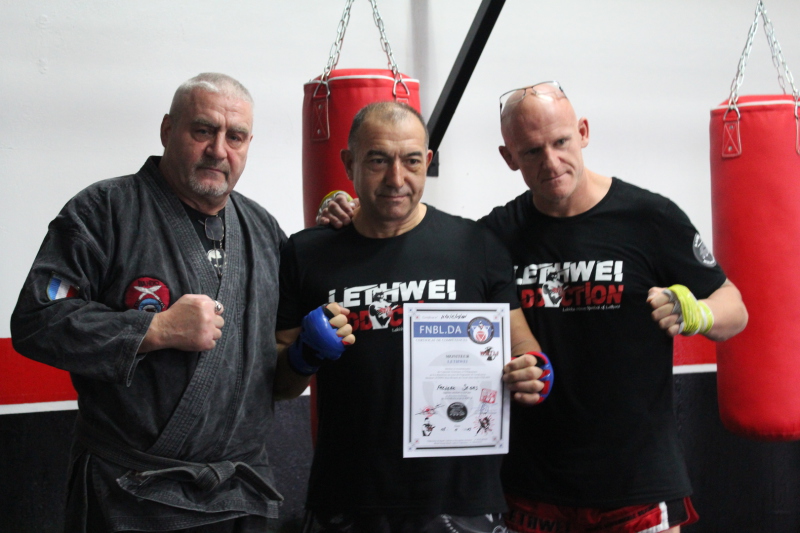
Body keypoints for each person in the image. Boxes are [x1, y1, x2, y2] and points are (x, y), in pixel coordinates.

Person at [319, 82, 748, 533]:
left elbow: (734, 308)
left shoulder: (649, 218)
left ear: (583, 132)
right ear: (509, 157)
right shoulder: (493, 237)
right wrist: (348, 210)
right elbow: (413, 244)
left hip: (635, 480)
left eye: (560, 142)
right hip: (528, 486)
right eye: (531, 151)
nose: (551, 162)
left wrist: (698, 313)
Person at [10, 73, 351, 533]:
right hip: (131, 494)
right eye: (203, 130)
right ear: (168, 130)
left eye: (235, 137)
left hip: (241, 493)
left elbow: (272, 374)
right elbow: (37, 320)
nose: (218, 150)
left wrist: (306, 351)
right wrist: (156, 331)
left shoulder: (263, 231)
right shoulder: (103, 212)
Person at [276, 101, 550, 533]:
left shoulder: (476, 245)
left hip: (460, 497)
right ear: (348, 163)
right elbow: (280, 386)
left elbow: (525, 350)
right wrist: (303, 354)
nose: (396, 179)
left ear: (428, 162)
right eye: (378, 160)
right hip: (348, 497)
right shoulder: (306, 253)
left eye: (411, 161)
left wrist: (533, 373)